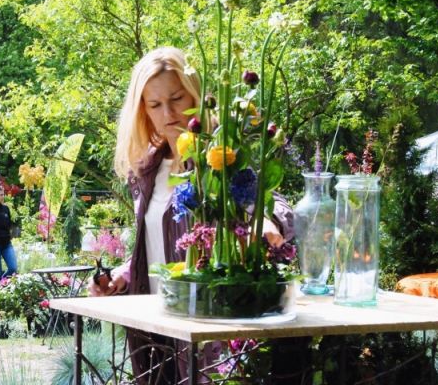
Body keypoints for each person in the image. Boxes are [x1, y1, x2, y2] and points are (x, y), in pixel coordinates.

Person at [90, 47, 295, 384]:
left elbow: (274, 205)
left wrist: (268, 223)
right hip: (154, 330)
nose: (168, 113)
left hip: (207, 330)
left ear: (197, 95)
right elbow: (159, 245)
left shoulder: (220, 157)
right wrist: (123, 275)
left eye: (176, 98)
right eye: (155, 105)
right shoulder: (147, 170)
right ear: (142, 110)